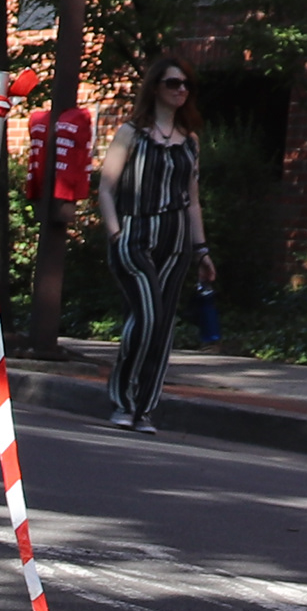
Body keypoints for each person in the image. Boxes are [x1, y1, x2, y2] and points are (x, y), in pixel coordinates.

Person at [94, 57, 214, 429]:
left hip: (175, 241)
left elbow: (192, 200)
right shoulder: (131, 133)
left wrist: (202, 251)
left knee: (162, 324)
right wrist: (115, 233)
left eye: (186, 84)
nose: (181, 90)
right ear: (156, 87)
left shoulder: (190, 141)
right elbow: (106, 188)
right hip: (134, 233)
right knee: (147, 315)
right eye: (173, 83)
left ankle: (144, 407)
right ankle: (123, 399)